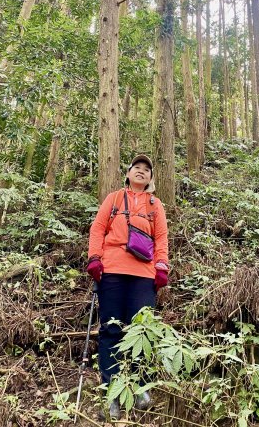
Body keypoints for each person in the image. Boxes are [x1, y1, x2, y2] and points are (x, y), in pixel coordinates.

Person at [86, 154, 169, 420]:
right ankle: (112, 391)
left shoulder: (156, 205)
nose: (141, 172)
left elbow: (162, 237)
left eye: (147, 169)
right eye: (137, 168)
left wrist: (162, 266)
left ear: (151, 178)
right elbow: (98, 228)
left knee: (141, 330)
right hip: (111, 271)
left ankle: (141, 385)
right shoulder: (113, 199)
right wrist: (95, 258)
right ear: (128, 172)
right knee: (111, 329)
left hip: (143, 274)